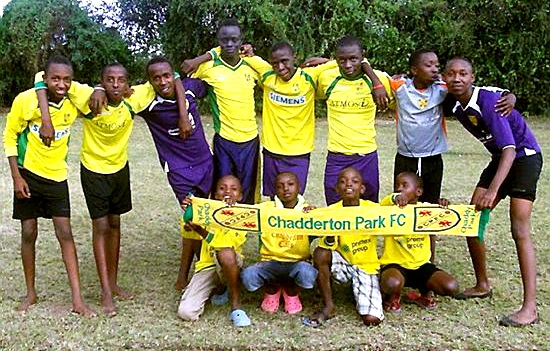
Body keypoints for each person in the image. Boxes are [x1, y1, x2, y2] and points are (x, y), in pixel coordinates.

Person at [388, 49, 516, 260]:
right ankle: (399, 260)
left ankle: (428, 261)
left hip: (432, 158)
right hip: (405, 157)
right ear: (414, 69)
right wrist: (328, 61)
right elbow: (370, 74)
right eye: (428, 65)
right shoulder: (399, 86)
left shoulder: (443, 87)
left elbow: (478, 89)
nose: (435, 69)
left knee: (429, 210)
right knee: (401, 206)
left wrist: (509, 95)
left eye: (437, 65)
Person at [442, 57, 542, 327]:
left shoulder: (489, 102)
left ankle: (530, 308)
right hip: (500, 158)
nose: (457, 78)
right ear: (444, 77)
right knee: (471, 222)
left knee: (519, 228)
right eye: (451, 74)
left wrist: (493, 190)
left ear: (472, 77)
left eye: (463, 73)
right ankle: (482, 284)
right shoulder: (452, 101)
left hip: (523, 157)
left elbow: (510, 149)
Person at [3, 55, 95, 317]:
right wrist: (16, 178)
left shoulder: (73, 100)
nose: (61, 84)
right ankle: (30, 293)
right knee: (29, 232)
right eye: (55, 78)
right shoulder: (26, 100)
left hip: (57, 177)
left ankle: (77, 299)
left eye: (66, 79)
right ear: (45, 78)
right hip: (27, 174)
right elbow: (9, 137)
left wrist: (98, 90)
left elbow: (93, 93)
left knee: (65, 233)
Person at [139, 57, 214, 291]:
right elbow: (118, 97)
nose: (163, 81)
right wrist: (101, 88)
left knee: (208, 217)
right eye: (156, 78)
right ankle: (184, 275)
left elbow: (209, 83)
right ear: (150, 82)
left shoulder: (189, 89)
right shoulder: (148, 104)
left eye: (167, 75)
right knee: (191, 218)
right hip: (180, 171)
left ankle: (206, 270)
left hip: (205, 162)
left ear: (174, 76)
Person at [185, 19, 260, 204]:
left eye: (234, 39)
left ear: (241, 40)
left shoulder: (251, 65)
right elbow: (182, 74)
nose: (229, 44)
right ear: (218, 41)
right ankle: (222, 230)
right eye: (224, 40)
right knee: (223, 190)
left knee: (246, 192)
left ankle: (240, 232)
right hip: (224, 141)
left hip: (250, 140)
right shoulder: (208, 67)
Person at [316, 36, 394, 205]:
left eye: (353, 59)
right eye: (342, 60)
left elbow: (398, 103)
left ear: (362, 56)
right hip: (337, 156)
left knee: (369, 206)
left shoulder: (379, 80)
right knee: (334, 207)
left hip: (366, 155)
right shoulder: (326, 78)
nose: (348, 65)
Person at [303, 167, 384, 327]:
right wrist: (311, 215)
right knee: (320, 253)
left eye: (354, 181)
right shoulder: (330, 211)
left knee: (371, 320)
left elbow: (395, 208)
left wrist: (397, 198)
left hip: (366, 267)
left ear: (362, 188)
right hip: (342, 262)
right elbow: (326, 244)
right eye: (343, 181)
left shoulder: (374, 209)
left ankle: (359, 290)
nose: (348, 184)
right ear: (337, 189)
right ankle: (328, 306)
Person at [379, 171, 459, 312]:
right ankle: (392, 296)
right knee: (391, 283)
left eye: (404, 186)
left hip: (421, 265)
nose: (399, 189)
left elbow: (445, 218)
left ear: (418, 191)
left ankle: (423, 293)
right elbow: (384, 202)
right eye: (397, 186)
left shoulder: (426, 209)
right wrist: (395, 197)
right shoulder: (390, 209)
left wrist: (443, 206)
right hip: (395, 264)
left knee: (451, 287)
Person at [178, 175, 251, 327]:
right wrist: (190, 212)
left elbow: (225, 246)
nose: (227, 192)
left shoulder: (243, 215)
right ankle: (218, 288)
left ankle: (236, 303)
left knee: (225, 253)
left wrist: (201, 231)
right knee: (186, 312)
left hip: (230, 264)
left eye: (234, 189)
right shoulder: (205, 211)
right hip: (207, 266)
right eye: (222, 188)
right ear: (215, 194)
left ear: (241, 195)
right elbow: (187, 232)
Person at [241, 171, 318, 314]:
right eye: (280, 186)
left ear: (298, 187)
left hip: (297, 264)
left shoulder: (307, 211)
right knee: (248, 276)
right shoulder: (265, 209)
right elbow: (242, 213)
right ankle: (273, 288)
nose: (286, 189)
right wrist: (229, 205)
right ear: (275, 190)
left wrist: (314, 217)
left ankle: (291, 291)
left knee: (308, 274)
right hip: (270, 263)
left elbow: (325, 228)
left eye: (290, 184)